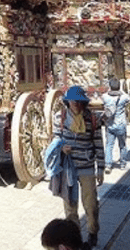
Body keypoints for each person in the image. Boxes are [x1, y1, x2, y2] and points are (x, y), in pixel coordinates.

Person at [52, 85, 104, 248]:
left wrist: (101, 168)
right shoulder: (59, 117)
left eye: (78, 101)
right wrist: (61, 147)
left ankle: (93, 231)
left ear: (83, 102)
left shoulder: (92, 118)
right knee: (70, 206)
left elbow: (98, 143)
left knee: (91, 204)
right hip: (69, 167)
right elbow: (55, 140)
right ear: (68, 102)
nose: (75, 104)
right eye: (73, 101)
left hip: (87, 166)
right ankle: (73, 239)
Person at [100, 77, 130, 173]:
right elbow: (128, 97)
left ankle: (108, 165)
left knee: (109, 145)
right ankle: (122, 164)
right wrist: (121, 90)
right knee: (122, 145)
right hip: (121, 124)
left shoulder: (105, 97)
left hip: (110, 125)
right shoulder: (123, 97)